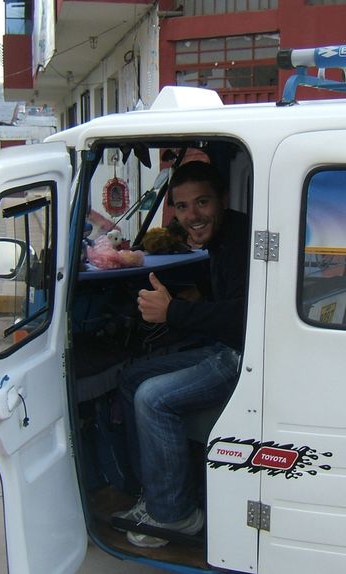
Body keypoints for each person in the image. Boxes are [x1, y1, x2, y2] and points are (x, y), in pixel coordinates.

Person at [114, 161, 248, 548]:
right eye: (183, 206)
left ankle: (175, 516)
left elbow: (245, 315)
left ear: (223, 199)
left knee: (153, 399)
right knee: (132, 376)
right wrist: (196, 299)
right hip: (229, 345)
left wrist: (173, 311)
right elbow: (230, 298)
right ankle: (155, 496)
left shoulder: (243, 239)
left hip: (245, 356)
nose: (193, 215)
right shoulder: (223, 238)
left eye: (202, 202)